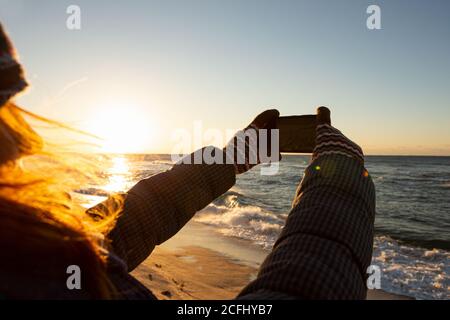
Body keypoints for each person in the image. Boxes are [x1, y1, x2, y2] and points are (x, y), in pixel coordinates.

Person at [0, 23, 375, 300]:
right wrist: (341, 178)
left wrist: (229, 159)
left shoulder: (24, 250)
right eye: (7, 110)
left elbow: (110, 235)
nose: (27, 140)